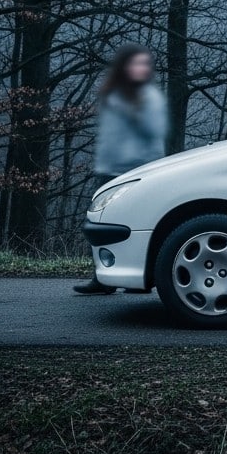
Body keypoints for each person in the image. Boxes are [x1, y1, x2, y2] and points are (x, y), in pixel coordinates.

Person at [74, 45, 167, 295]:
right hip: (109, 169)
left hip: (137, 171)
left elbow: (153, 132)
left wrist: (131, 112)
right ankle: (102, 277)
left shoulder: (149, 97)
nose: (141, 68)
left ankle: (137, 279)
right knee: (102, 224)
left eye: (145, 64)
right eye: (136, 63)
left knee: (137, 224)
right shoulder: (114, 94)